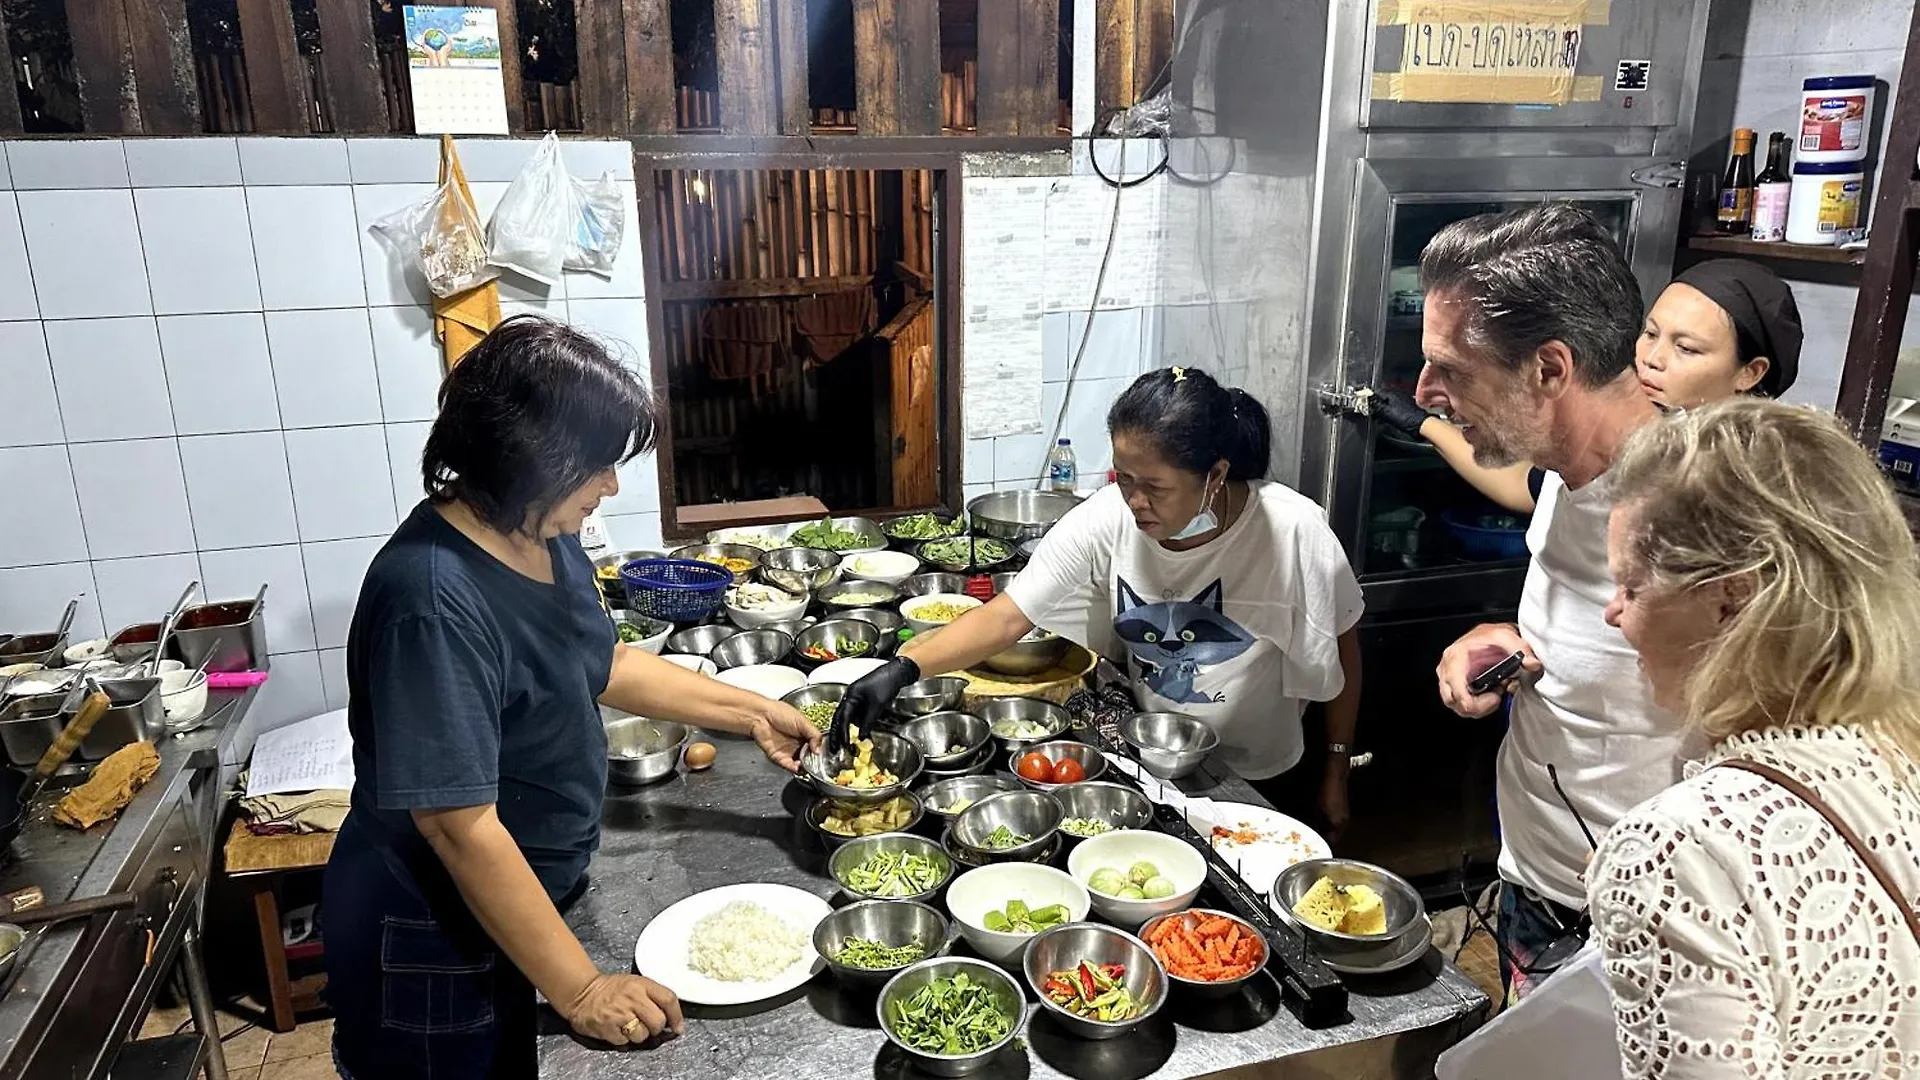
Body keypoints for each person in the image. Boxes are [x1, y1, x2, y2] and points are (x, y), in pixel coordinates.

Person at [323, 317, 822, 1079]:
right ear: (529, 458)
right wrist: (582, 987)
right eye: (596, 465)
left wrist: (753, 713)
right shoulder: (431, 597)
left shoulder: (538, 534)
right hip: (433, 938)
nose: (610, 485)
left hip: (520, 903)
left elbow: (603, 661)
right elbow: (459, 827)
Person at [836, 367, 1364, 833]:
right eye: (1125, 478)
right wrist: (900, 671)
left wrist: (1336, 770)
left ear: (1216, 475)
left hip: (1260, 777)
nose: (1135, 502)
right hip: (1156, 763)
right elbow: (1006, 616)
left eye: (1155, 486)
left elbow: (1342, 648)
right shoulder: (1109, 516)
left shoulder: (1294, 531)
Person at [1589, 398, 1920, 1079]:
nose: (1613, 612)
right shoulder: (1899, 741)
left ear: (1731, 600)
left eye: (1631, 585)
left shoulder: (1676, 851)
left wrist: (1653, 879)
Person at [1415, 203, 1688, 1002]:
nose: (1428, 393)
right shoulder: (1570, 473)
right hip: (1538, 878)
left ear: (1549, 369)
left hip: (1638, 925)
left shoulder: (1692, 511)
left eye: (1452, 371)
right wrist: (1509, 640)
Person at [1365, 258, 1804, 514]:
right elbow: (1525, 486)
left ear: (1751, 372)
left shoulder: (1738, 488)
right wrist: (1423, 423)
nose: (1653, 358)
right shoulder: (1604, 434)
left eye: (1686, 349)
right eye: (1650, 334)